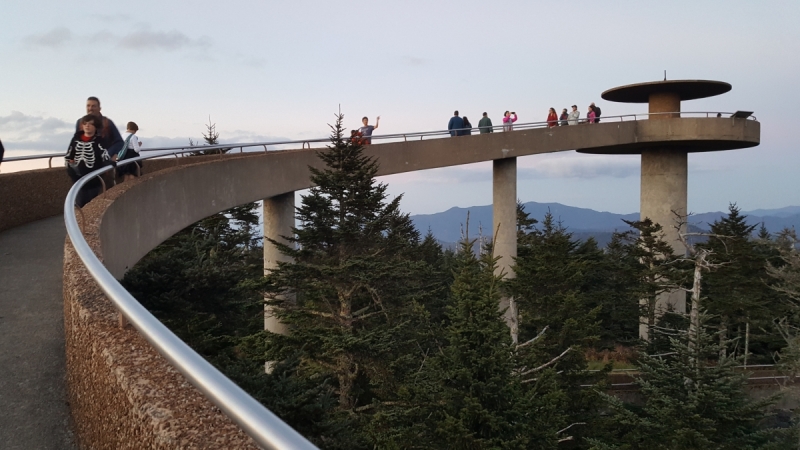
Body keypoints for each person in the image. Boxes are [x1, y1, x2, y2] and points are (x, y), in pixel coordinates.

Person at [66, 114, 112, 207]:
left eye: (91, 124)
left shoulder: (99, 141)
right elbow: (69, 155)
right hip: (78, 177)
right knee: (79, 203)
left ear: (96, 127)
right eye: (85, 123)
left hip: (94, 179)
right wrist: (71, 167)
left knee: (90, 203)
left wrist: (110, 164)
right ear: (82, 126)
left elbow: (105, 156)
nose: (87, 126)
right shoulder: (75, 140)